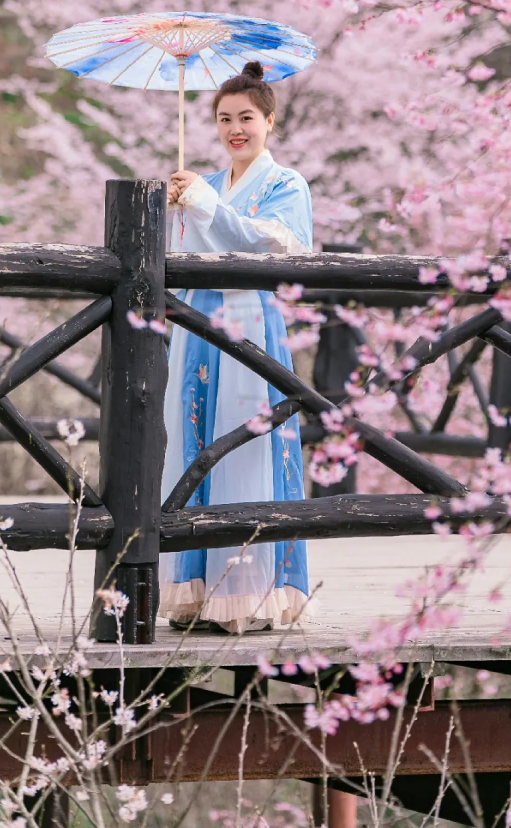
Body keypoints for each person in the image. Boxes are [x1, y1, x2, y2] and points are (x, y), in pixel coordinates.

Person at [161, 60, 312, 634]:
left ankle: (251, 592)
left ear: (270, 121)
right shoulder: (213, 182)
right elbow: (196, 253)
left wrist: (202, 204)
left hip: (250, 320)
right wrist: (181, 209)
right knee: (192, 439)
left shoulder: (285, 185)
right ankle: (196, 589)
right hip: (199, 320)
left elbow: (264, 250)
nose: (235, 129)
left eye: (246, 117)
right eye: (224, 119)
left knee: (244, 442)